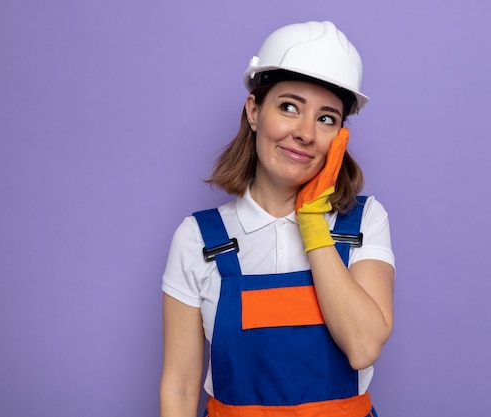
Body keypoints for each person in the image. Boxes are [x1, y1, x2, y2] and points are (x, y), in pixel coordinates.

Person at [160, 20, 395, 417]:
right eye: (289, 107)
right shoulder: (199, 238)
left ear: (340, 137)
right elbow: (181, 387)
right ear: (254, 111)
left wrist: (313, 224)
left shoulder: (363, 222)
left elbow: (363, 346)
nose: (305, 133)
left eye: (326, 119)